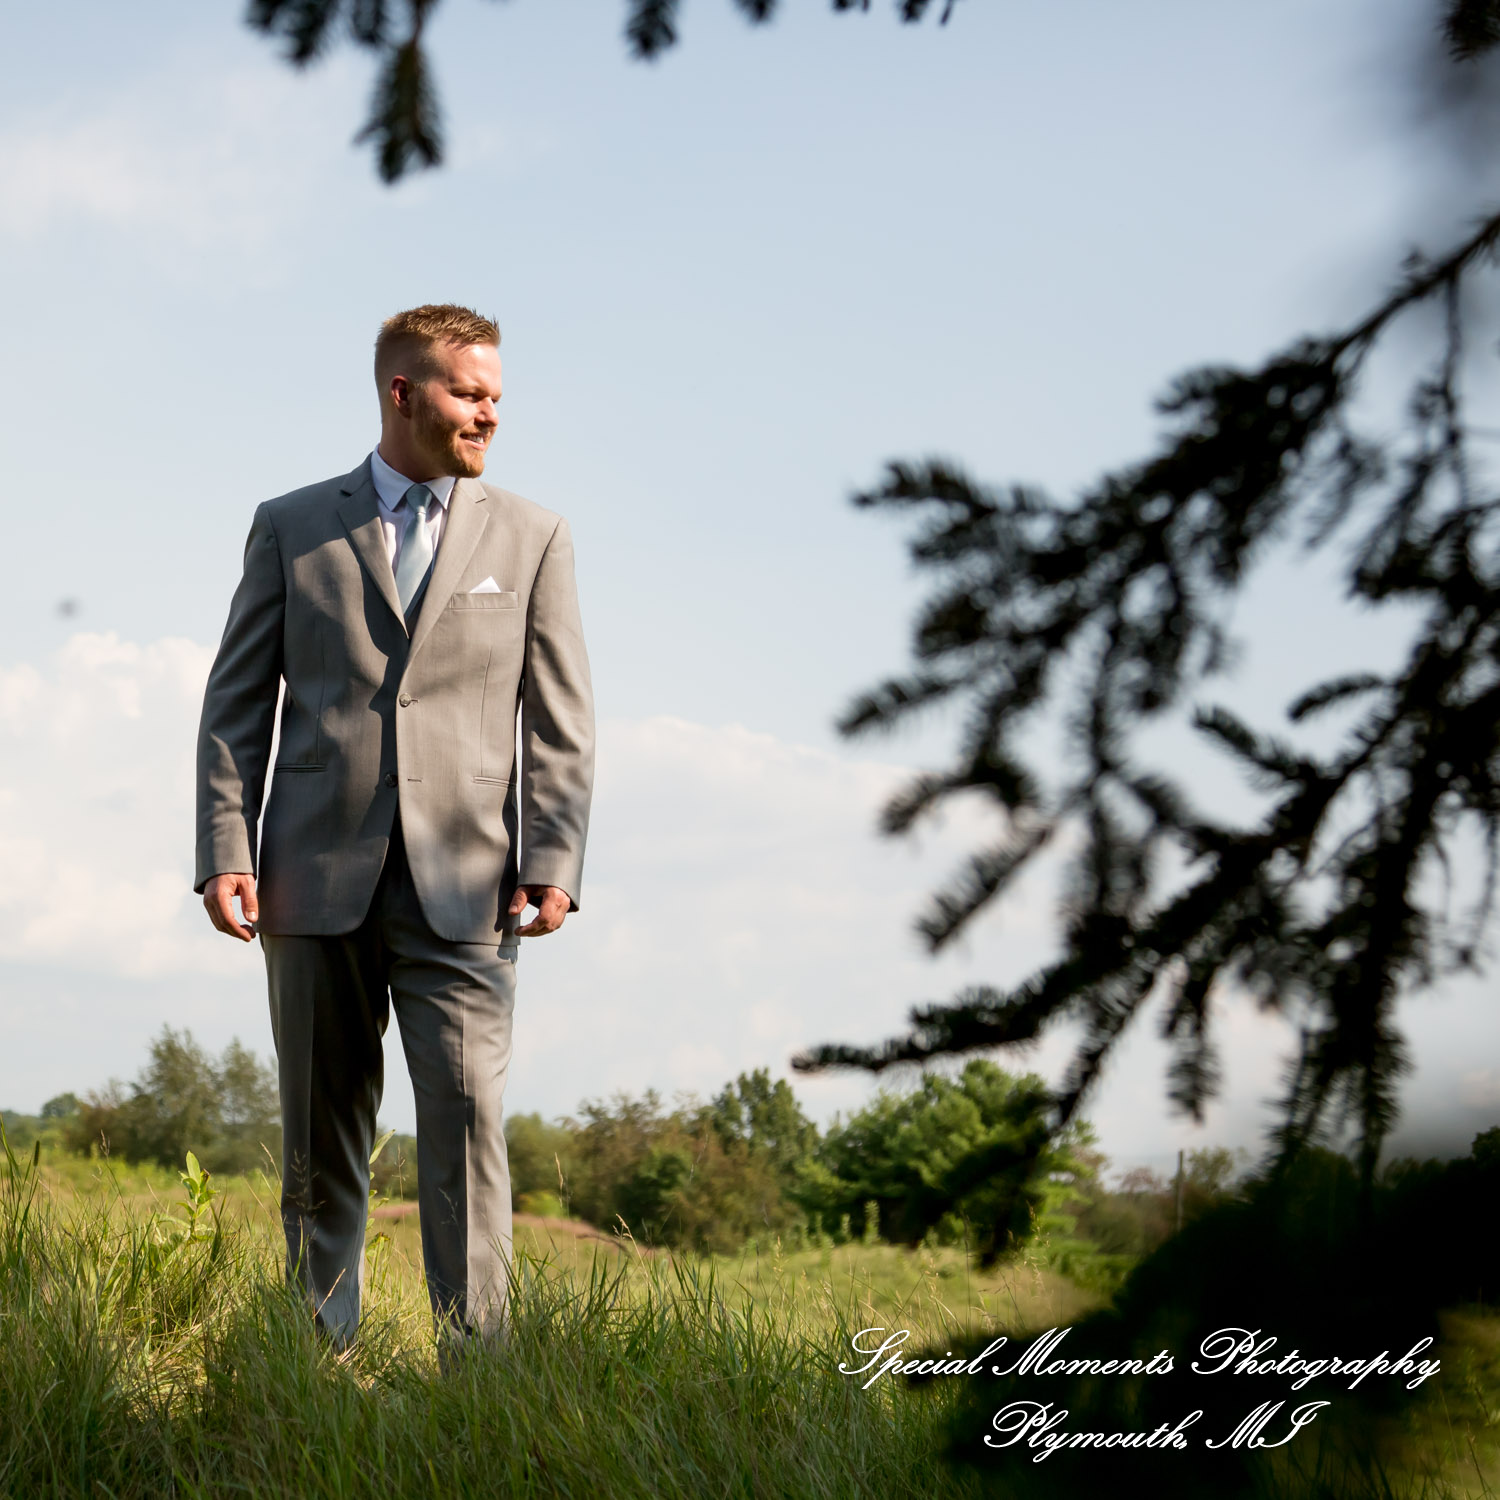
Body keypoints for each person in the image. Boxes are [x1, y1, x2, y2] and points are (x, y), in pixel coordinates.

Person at [193, 303, 594, 1350]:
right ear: (402, 394)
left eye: (498, 398)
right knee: (318, 1143)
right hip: (309, 878)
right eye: (470, 394)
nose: (490, 415)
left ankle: (481, 1378)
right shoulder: (290, 525)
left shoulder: (534, 535)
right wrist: (224, 851)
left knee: (466, 1128)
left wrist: (552, 858)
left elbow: (560, 717)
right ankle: (317, 1369)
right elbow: (238, 703)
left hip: (470, 884)